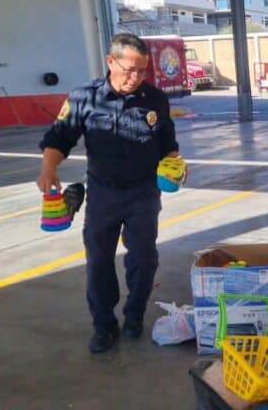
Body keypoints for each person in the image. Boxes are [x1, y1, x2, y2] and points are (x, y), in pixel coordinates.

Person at [37, 33, 179, 353]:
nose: (136, 78)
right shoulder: (83, 98)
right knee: (99, 260)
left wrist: (174, 165)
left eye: (143, 71)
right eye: (130, 70)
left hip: (144, 192)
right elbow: (59, 138)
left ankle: (134, 315)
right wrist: (49, 169)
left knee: (144, 258)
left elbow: (168, 145)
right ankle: (103, 324)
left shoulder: (155, 99)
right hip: (103, 192)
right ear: (111, 62)